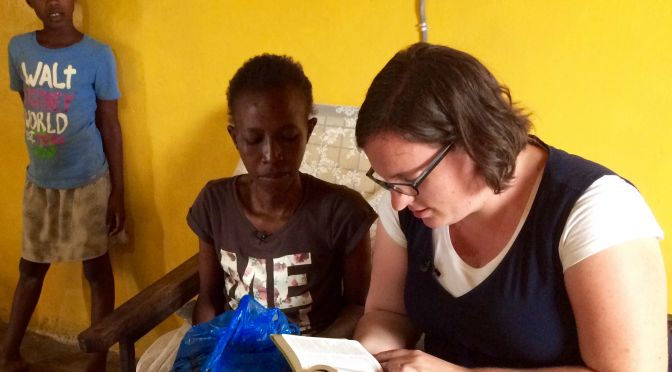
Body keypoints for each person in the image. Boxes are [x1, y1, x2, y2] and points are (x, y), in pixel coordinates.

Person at [353, 42, 667, 371]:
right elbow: (388, 314)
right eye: (389, 181)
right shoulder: (409, 203)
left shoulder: (599, 211)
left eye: (412, 179)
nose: (398, 200)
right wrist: (369, 360)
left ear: (476, 141)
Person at [189, 54, 377, 335]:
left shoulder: (343, 213)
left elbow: (357, 309)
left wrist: (312, 357)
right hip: (238, 353)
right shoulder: (214, 204)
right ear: (235, 138)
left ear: (308, 132)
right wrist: (208, 351)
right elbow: (209, 299)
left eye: (288, 137)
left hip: (313, 356)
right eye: (253, 140)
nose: (271, 155)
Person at [1, 1, 125, 371]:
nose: (53, 4)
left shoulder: (98, 54)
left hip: (89, 182)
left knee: (97, 271)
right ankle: (8, 354)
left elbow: (111, 124)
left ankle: (97, 361)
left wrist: (119, 192)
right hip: (41, 182)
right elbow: (31, 104)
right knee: (31, 269)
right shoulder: (18, 49)